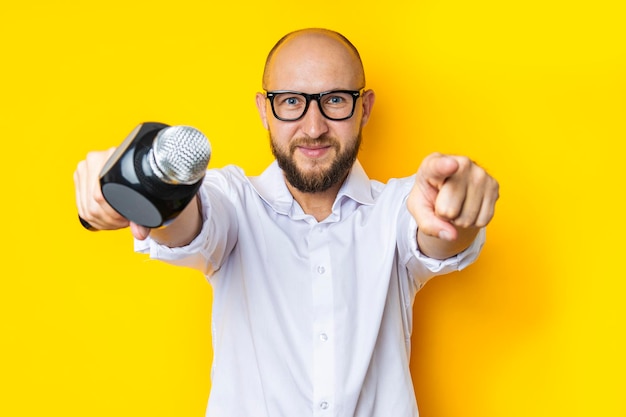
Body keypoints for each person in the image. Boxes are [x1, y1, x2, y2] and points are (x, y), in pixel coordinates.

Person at [74, 28, 499, 417]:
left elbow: (436, 235)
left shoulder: (395, 208)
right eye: (291, 101)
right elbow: (193, 220)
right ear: (264, 110)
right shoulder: (235, 200)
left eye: (334, 100)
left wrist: (456, 204)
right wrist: (151, 186)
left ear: (364, 108)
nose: (313, 128)